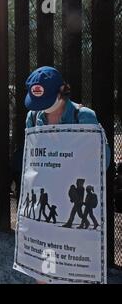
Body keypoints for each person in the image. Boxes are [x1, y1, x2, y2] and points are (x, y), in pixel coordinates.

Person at [24, 66, 110, 283]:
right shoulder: (33, 118)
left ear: (62, 91)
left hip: (73, 204)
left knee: (72, 271)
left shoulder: (84, 117)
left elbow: (104, 162)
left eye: (48, 102)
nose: (44, 110)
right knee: (42, 271)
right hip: (45, 209)